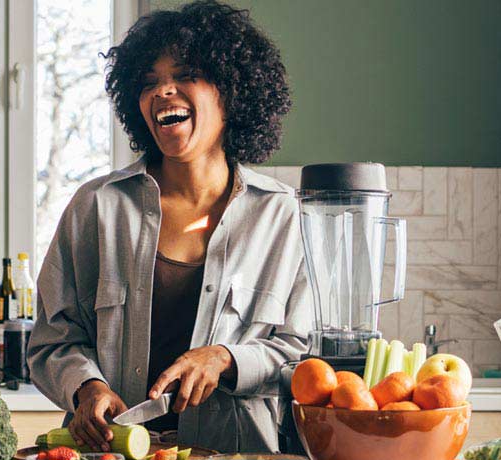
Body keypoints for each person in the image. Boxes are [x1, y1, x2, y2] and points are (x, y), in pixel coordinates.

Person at [28, 0, 310, 453]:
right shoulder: (97, 207)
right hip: (111, 450)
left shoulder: (283, 216)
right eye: (149, 82)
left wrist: (225, 359)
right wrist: (86, 388)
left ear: (231, 92)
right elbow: (52, 340)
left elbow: (304, 353)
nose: (163, 91)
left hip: (237, 450)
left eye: (184, 75)